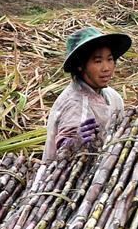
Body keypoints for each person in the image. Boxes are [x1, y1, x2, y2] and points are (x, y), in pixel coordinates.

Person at [43, 26, 132, 162]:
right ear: (80, 65)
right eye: (98, 61)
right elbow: (64, 152)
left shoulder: (113, 97)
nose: (106, 68)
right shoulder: (74, 104)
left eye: (110, 59)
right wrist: (74, 143)